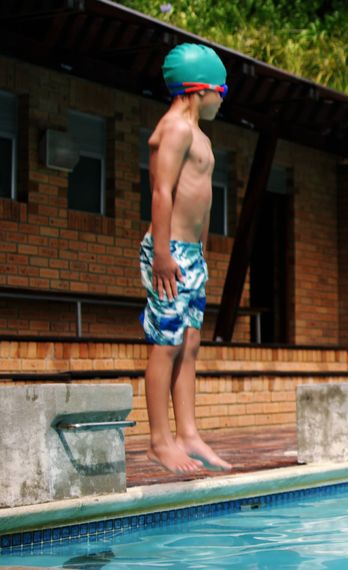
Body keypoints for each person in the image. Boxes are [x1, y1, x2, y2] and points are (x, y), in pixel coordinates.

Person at [139, 43, 231, 474]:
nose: (222, 99)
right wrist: (161, 252)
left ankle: (188, 434)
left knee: (190, 344)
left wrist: (204, 253)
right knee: (167, 344)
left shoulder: (201, 137)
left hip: (191, 255)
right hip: (169, 251)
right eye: (222, 90)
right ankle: (160, 440)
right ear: (200, 89)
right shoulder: (173, 128)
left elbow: (203, 203)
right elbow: (161, 191)